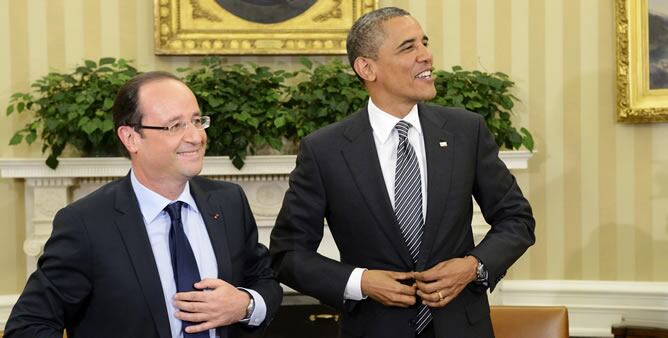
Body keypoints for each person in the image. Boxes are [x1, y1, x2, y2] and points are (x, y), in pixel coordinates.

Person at [269, 7, 535, 338]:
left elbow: (517, 219)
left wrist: (473, 266)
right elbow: (287, 253)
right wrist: (361, 281)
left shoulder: (466, 131)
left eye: (424, 43)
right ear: (367, 68)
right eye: (408, 47)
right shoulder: (324, 151)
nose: (427, 56)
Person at [5, 71, 282, 338]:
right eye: (175, 125)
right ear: (131, 138)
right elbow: (29, 325)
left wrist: (245, 305)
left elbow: (265, 281)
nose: (196, 137)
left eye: (197, 121)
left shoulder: (229, 201)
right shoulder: (86, 223)